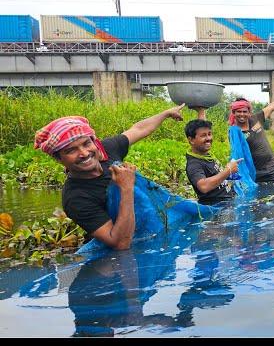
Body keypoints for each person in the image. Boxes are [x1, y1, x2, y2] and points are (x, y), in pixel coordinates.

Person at [33, 104, 186, 251]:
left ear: (94, 142)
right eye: (71, 150)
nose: (84, 153)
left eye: (86, 144)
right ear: (59, 159)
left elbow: (139, 129)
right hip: (130, 251)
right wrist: (126, 188)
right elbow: (120, 243)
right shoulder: (76, 197)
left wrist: (166, 113)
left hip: (157, 227)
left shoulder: (107, 150)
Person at [228, 89, 274, 182]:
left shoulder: (256, 119)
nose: (242, 114)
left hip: (273, 169)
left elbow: (271, 107)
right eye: (238, 111)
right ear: (233, 113)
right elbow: (236, 154)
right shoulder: (234, 132)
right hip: (254, 174)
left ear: (249, 112)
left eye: (244, 111)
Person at [184, 109, 241, 205]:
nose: (208, 138)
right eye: (203, 135)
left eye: (209, 134)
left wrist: (201, 109)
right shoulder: (194, 164)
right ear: (191, 140)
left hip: (228, 202)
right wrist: (228, 170)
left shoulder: (206, 155)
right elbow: (204, 186)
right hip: (216, 208)